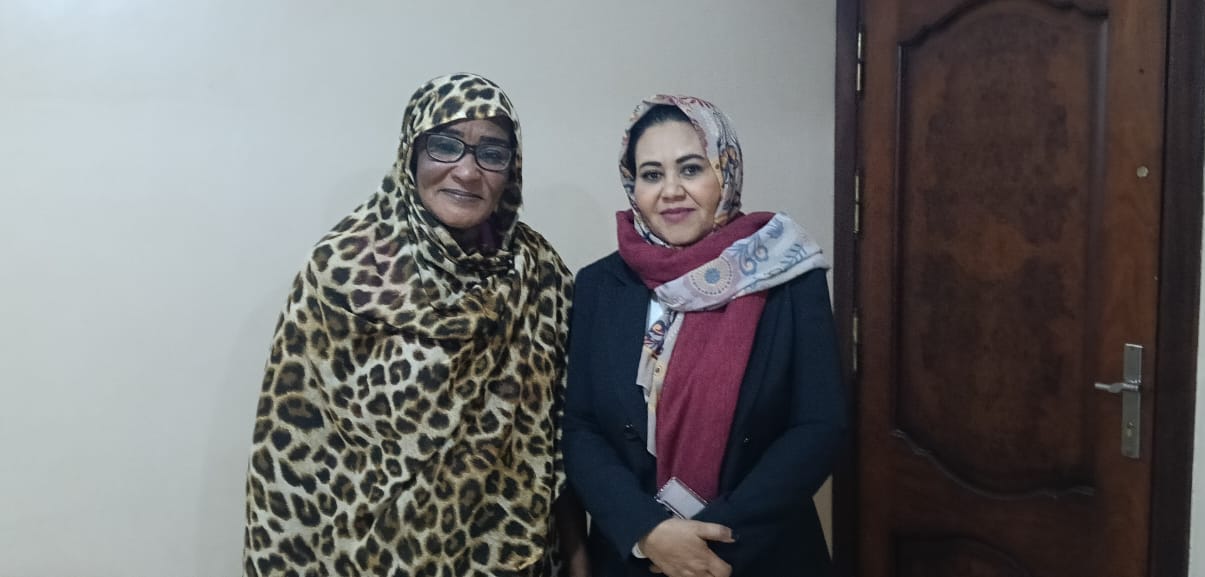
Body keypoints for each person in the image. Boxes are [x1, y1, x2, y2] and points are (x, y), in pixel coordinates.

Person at [242, 73, 588, 577]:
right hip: (368, 562)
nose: (467, 172)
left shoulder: (540, 274)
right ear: (412, 153)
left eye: (492, 153)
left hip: (513, 561)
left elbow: (561, 448)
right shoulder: (341, 273)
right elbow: (289, 458)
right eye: (445, 145)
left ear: (512, 169)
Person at [563, 95, 847, 577]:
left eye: (691, 169)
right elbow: (581, 427)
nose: (671, 190)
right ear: (633, 185)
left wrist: (709, 544)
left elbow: (819, 426)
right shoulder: (599, 286)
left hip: (759, 555)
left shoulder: (788, 274)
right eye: (652, 174)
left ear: (725, 172)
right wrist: (647, 531)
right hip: (637, 556)